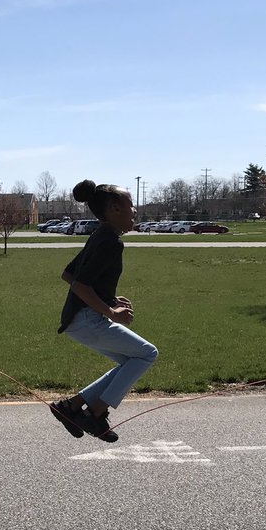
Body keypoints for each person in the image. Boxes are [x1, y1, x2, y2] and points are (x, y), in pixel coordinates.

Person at [50, 179, 158, 443]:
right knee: (147, 354)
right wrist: (112, 312)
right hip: (87, 320)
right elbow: (79, 285)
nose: (134, 210)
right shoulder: (110, 241)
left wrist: (108, 298)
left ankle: (72, 407)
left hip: (79, 320)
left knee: (130, 361)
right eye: (130, 204)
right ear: (113, 209)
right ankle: (96, 412)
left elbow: (68, 274)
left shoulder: (100, 234)